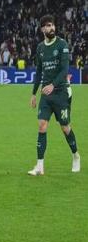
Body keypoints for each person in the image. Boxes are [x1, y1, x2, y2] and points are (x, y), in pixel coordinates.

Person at [28, 14, 81, 176]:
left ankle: (76, 156)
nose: (51, 28)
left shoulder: (62, 44)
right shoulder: (40, 48)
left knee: (65, 127)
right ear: (42, 29)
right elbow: (39, 72)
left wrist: (53, 85)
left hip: (61, 93)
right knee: (42, 125)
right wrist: (33, 93)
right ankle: (39, 166)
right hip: (46, 94)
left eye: (52, 25)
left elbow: (65, 70)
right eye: (48, 26)